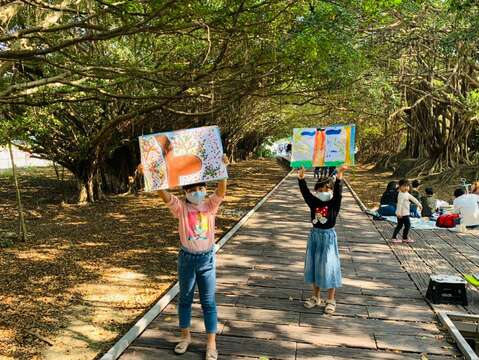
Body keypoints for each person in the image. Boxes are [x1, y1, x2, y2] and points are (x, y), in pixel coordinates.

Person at [145, 155, 228, 360]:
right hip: (187, 260)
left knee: (208, 302)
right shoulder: (180, 208)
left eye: (200, 188)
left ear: (205, 189)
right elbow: (163, 195)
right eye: (191, 190)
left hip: (207, 260)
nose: (197, 193)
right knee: (185, 300)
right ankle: (185, 337)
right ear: (185, 192)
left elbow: (221, 191)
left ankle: (211, 343)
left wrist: (222, 169)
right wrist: (151, 172)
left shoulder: (210, 206)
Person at [297, 165, 348, 314]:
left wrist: (339, 176)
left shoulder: (334, 203)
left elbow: (338, 192)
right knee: (314, 265)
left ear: (331, 190)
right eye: (319, 190)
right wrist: (301, 178)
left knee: (329, 266)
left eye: (326, 190)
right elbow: (305, 193)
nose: (323, 192)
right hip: (315, 236)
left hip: (328, 238)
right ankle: (316, 296)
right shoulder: (314, 202)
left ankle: (331, 299)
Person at [391, 179, 422, 244]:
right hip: (402, 214)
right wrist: (398, 213)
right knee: (406, 225)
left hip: (405, 213)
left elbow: (413, 198)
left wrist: (419, 204)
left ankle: (401, 237)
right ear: (400, 186)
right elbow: (399, 204)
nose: (406, 188)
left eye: (407, 186)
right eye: (404, 186)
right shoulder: (401, 195)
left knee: (401, 225)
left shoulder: (406, 193)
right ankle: (401, 238)